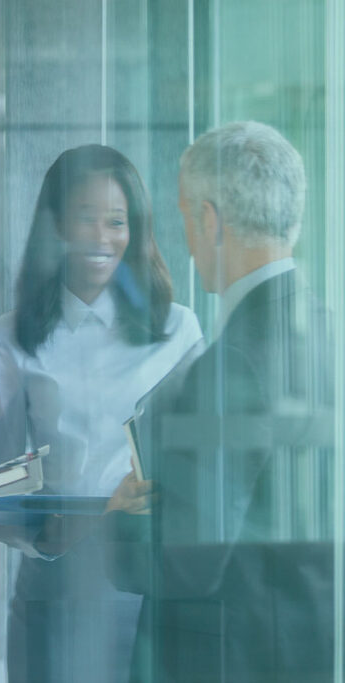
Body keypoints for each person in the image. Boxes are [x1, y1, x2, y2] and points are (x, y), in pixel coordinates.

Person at [106, 121, 334, 681]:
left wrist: (118, 522)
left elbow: (186, 566)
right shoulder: (328, 332)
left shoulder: (230, 364)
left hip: (234, 656)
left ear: (210, 219)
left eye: (185, 216)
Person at [0, 145, 203, 683]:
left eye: (117, 222)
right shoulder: (10, 339)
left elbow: (200, 474)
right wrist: (86, 521)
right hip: (54, 585)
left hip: (152, 585)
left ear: (137, 229)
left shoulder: (179, 332)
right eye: (85, 219)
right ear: (55, 226)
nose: (102, 238)